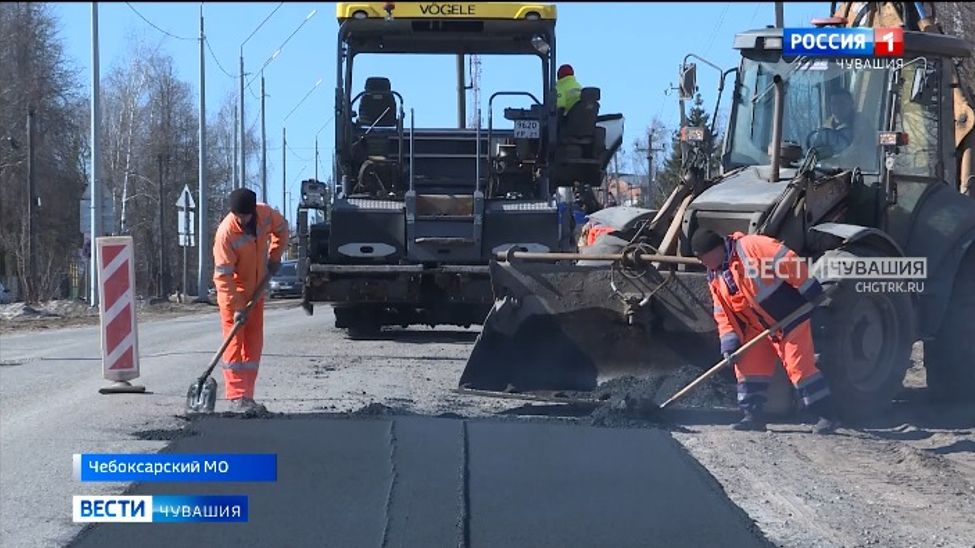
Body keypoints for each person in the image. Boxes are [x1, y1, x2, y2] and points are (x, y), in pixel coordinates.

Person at [690, 228, 840, 434]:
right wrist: (729, 342)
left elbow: (787, 259)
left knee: (800, 369)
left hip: (789, 318)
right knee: (748, 366)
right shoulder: (715, 275)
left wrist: (808, 288)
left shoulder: (752, 246)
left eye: (703, 258)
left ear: (715, 250)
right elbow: (722, 312)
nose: (702, 263)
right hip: (758, 327)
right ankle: (753, 417)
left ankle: (828, 416)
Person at [212, 188, 289, 414]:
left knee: (254, 344)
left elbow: (282, 229)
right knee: (235, 345)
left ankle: (248, 395)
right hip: (233, 294)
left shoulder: (265, 214)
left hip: (257, 290)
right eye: (237, 215)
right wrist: (237, 308)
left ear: (252, 211)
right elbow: (223, 277)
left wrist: (275, 257)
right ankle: (236, 396)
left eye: (244, 215)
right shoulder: (226, 234)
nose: (241, 219)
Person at [808, 88, 856, 155]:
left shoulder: (860, 125)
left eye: (842, 103)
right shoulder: (825, 128)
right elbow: (815, 151)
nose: (837, 108)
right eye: (834, 104)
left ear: (851, 104)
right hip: (826, 165)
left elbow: (859, 153)